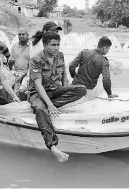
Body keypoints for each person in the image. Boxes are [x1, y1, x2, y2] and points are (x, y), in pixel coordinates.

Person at [29, 31, 87, 162]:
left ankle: (51, 105)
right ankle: (52, 146)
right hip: (37, 93)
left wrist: (67, 87)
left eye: (58, 44)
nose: (56, 48)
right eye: (53, 45)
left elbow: (64, 75)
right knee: (39, 109)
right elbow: (38, 86)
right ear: (44, 45)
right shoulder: (36, 59)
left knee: (81, 89)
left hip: (56, 90)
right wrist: (49, 105)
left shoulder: (60, 55)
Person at [8, 28, 30, 100]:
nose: (21, 36)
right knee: (5, 87)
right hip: (16, 73)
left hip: (27, 73)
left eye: (23, 34)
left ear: (27, 35)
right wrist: (12, 70)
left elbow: (33, 66)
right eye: (19, 34)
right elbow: (11, 63)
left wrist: (22, 76)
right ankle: (9, 104)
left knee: (22, 91)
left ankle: (23, 106)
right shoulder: (14, 46)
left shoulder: (32, 47)